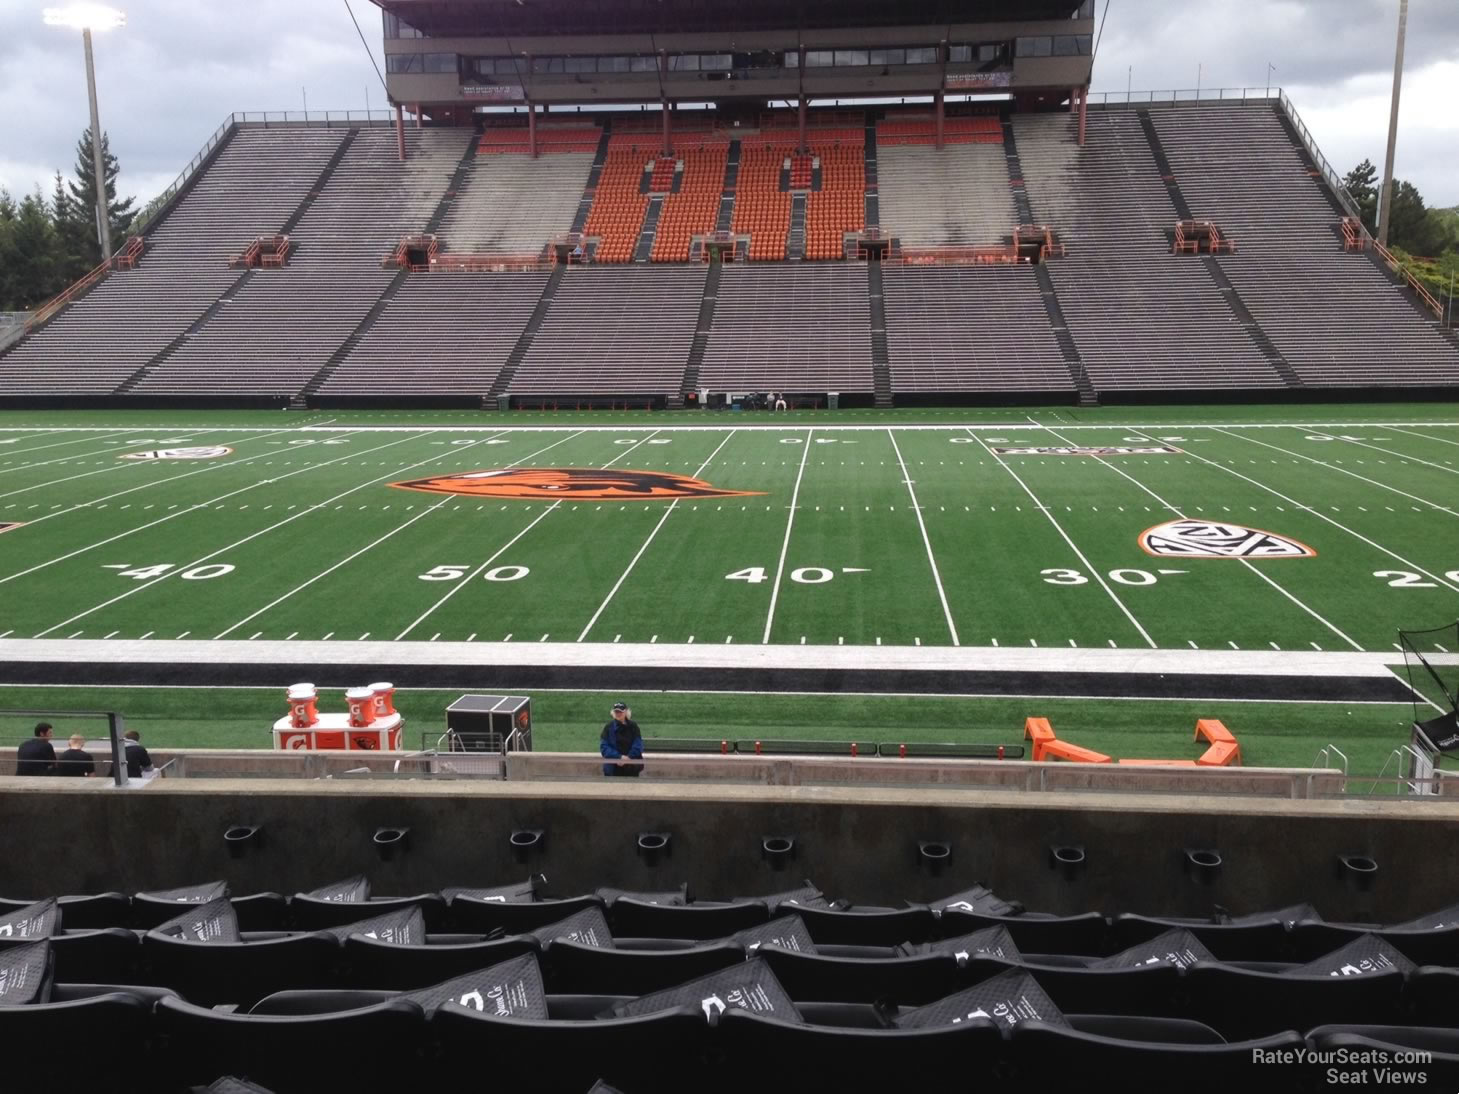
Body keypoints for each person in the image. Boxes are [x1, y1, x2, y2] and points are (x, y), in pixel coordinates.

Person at [600, 702, 644, 777]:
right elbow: (604, 747)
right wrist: (619, 757)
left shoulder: (633, 726)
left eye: (620, 711)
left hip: (631, 765)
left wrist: (628, 757)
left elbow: (638, 744)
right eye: (616, 711)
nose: (618, 713)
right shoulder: (608, 727)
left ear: (626, 712)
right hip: (613, 767)